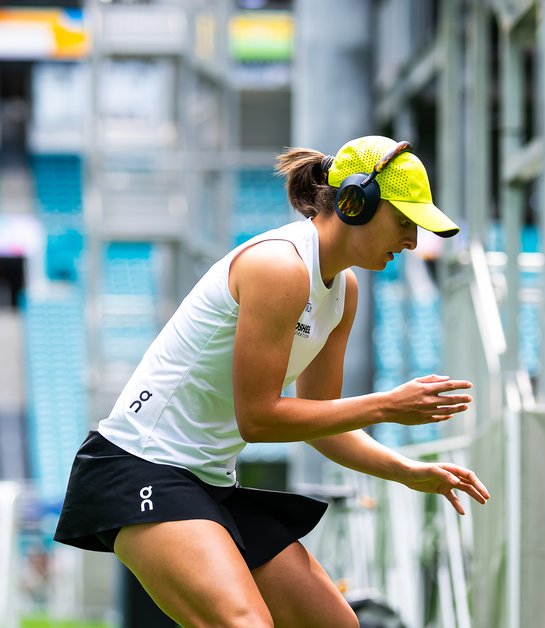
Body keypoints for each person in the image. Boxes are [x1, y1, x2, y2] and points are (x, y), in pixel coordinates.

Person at [54, 136, 490, 627]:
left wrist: (405, 471)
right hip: (139, 467)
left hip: (209, 481)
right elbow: (259, 419)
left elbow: (319, 420)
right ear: (355, 202)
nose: (412, 242)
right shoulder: (279, 266)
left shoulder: (343, 291)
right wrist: (386, 406)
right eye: (405, 222)